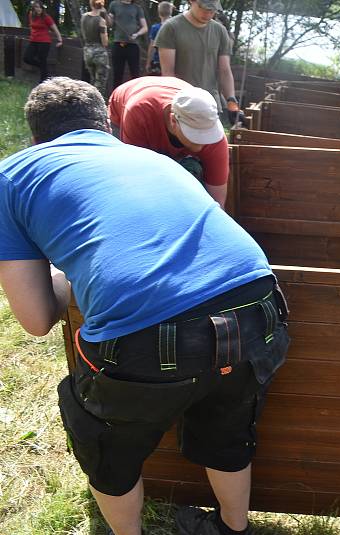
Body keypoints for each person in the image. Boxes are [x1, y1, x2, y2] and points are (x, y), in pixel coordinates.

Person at [0, 77, 289, 535]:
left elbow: (35, 320)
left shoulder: (11, 177)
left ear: (36, 138)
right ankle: (234, 529)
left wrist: (63, 277)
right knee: (227, 427)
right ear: (108, 125)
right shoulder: (155, 159)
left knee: (107, 449)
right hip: (259, 308)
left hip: (147, 340)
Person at [108, 76, 230, 207]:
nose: (203, 144)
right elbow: (135, 179)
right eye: (196, 135)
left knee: (190, 170)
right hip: (125, 108)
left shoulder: (214, 137)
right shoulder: (139, 115)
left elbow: (217, 201)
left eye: (206, 135)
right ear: (173, 121)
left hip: (159, 103)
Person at [154, 0, 242, 125]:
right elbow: (168, 74)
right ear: (191, 1)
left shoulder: (220, 31)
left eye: (212, 10)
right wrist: (173, 106)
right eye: (204, 8)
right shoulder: (171, 27)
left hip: (211, 105)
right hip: (182, 105)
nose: (208, 13)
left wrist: (232, 102)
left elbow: (225, 71)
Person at [107, 0, 147, 90]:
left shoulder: (137, 8)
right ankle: (115, 99)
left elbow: (145, 28)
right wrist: (104, 15)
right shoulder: (114, 4)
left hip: (133, 46)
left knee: (135, 74)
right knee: (117, 74)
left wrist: (137, 34)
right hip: (118, 44)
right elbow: (109, 24)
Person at [23, 0, 62, 83]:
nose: (38, 9)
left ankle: (43, 80)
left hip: (44, 41)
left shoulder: (46, 17)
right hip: (33, 40)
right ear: (33, 8)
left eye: (40, 7)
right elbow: (32, 27)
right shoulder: (31, 15)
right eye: (36, 7)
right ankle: (43, 68)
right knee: (27, 58)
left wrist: (60, 40)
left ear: (42, 8)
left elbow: (55, 28)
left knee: (42, 59)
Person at [80, 0, 110, 97]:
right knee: (100, 84)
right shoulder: (101, 21)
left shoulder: (84, 17)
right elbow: (105, 42)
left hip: (87, 52)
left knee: (92, 80)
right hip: (99, 54)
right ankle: (97, 104)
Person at [145, 1, 172, 75]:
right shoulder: (174, 28)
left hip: (157, 61)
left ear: (159, 13)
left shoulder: (155, 28)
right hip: (171, 62)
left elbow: (152, 47)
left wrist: (148, 62)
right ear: (170, 12)